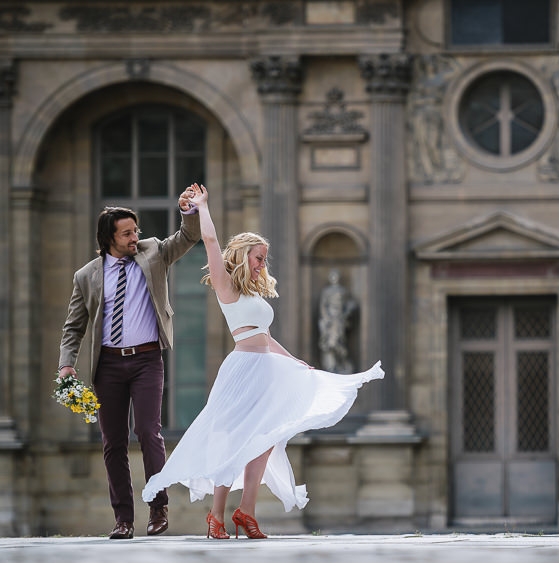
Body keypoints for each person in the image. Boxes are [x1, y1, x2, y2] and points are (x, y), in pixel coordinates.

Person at [141, 183, 383, 539]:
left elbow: (265, 337)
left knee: (266, 439)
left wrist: (298, 363)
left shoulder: (254, 292)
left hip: (268, 369)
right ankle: (216, 516)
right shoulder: (226, 286)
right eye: (258, 257)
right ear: (242, 256)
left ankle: (247, 512)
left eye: (264, 258)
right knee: (230, 439)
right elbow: (209, 241)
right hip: (241, 371)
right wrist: (202, 207)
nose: (262, 264)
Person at [57, 193, 202, 539]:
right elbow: (74, 327)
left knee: (149, 431)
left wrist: (189, 211)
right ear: (109, 238)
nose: (135, 237)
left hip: (148, 359)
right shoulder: (86, 276)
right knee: (113, 442)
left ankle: (158, 507)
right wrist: (66, 366)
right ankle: (123, 519)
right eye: (127, 233)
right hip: (107, 365)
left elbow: (187, 237)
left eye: (136, 231)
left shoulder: (153, 252)